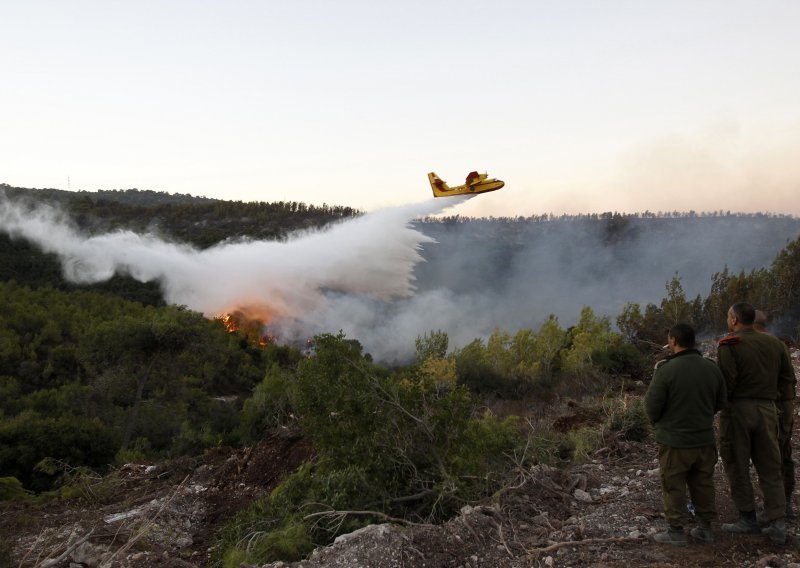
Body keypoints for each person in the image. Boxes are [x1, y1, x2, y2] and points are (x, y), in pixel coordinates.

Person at [717, 302, 796, 544]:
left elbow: (727, 381)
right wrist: (781, 409)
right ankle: (777, 522)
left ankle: (747, 519)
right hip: (769, 410)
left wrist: (721, 406)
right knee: (771, 466)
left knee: (737, 464)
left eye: (729, 317)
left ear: (734, 320)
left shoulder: (729, 344)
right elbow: (787, 380)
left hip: (738, 411)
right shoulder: (776, 344)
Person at [645, 323, 727, 546]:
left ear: (673, 341)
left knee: (673, 484)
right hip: (703, 439)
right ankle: (705, 528)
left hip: (674, 442)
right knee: (703, 483)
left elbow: (652, 406)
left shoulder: (665, 370)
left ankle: (676, 531)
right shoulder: (711, 368)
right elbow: (720, 402)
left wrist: (660, 425)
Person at [754, 309, 797, 518]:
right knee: (783, 453)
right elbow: (789, 378)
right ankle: (785, 502)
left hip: (772, 406)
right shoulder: (779, 345)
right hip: (783, 406)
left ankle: (776, 507)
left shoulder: (763, 345)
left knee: (771, 456)